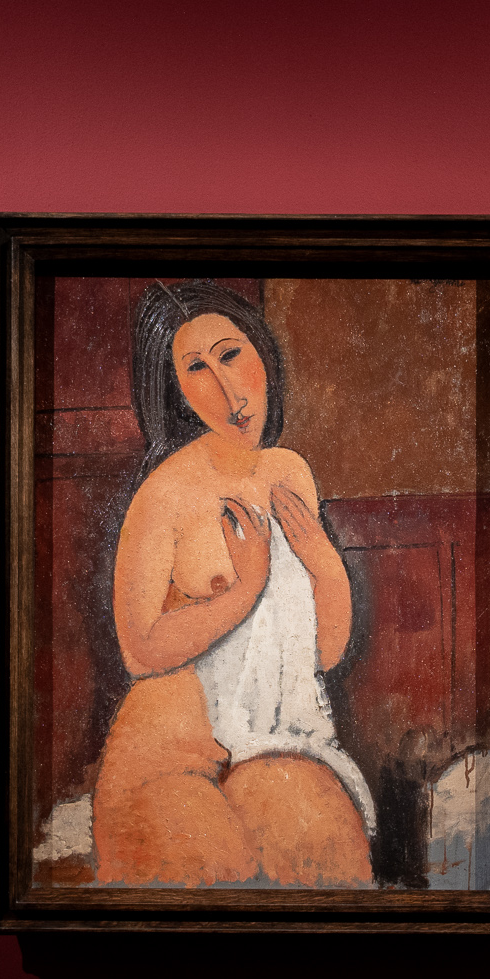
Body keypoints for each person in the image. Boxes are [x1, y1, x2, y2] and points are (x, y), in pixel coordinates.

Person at [89, 282, 375, 886]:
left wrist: (324, 563)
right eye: (196, 368)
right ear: (175, 389)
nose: (228, 391)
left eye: (230, 354)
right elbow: (138, 650)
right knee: (214, 875)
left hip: (272, 740)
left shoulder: (289, 471)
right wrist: (245, 591)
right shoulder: (163, 495)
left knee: (331, 864)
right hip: (170, 749)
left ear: (262, 353)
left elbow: (322, 653)